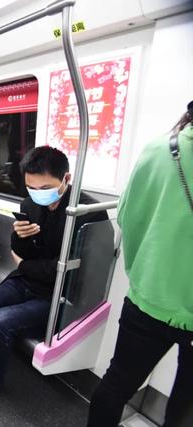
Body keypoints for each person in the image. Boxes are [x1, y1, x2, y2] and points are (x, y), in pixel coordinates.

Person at [0, 146, 108, 411]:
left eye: (45, 187)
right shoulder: (30, 204)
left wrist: (25, 265)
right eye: (31, 187)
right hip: (27, 280)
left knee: (0, 321)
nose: (38, 193)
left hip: (59, 294)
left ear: (66, 178)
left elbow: (70, 271)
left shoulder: (88, 213)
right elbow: (21, 250)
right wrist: (19, 237)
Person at [87, 102, 193, 427]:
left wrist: (142, 271)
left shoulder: (159, 150)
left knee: (117, 383)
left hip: (148, 297)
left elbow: (128, 218)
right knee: (187, 404)